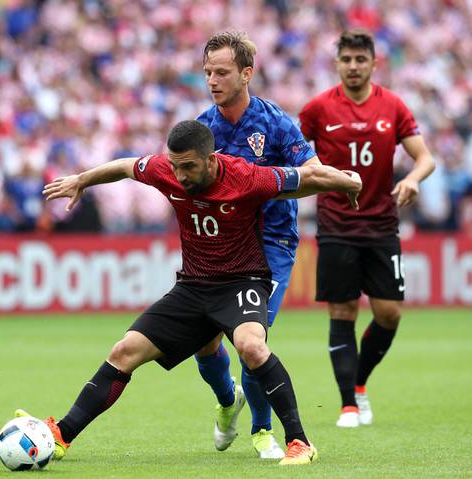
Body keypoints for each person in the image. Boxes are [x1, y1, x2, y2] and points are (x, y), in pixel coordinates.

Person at [28, 120, 363, 466]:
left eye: (188, 166)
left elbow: (306, 177)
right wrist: (82, 180)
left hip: (242, 282)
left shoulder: (246, 177)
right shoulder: (168, 170)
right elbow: (127, 166)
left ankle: (300, 442)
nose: (181, 175)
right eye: (175, 166)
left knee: (251, 345)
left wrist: (349, 181)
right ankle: (62, 433)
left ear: (211, 159)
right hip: (193, 286)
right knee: (124, 350)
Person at [298, 29, 435, 428]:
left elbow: (425, 158)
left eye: (361, 60)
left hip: (381, 225)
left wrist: (413, 179)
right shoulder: (318, 109)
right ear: (337, 64)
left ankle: (359, 384)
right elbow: (293, 153)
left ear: (374, 64)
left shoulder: (392, 106)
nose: (353, 67)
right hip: (336, 225)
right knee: (342, 311)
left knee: (389, 314)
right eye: (346, 60)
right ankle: (348, 406)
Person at [194, 31, 321, 458]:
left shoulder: (278, 124)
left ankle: (262, 430)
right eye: (208, 71)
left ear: (247, 73)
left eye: (222, 72)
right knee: (204, 341)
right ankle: (229, 400)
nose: (212, 80)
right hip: (222, 244)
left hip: (272, 242)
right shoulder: (202, 130)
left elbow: (313, 171)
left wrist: (342, 180)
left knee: (252, 339)